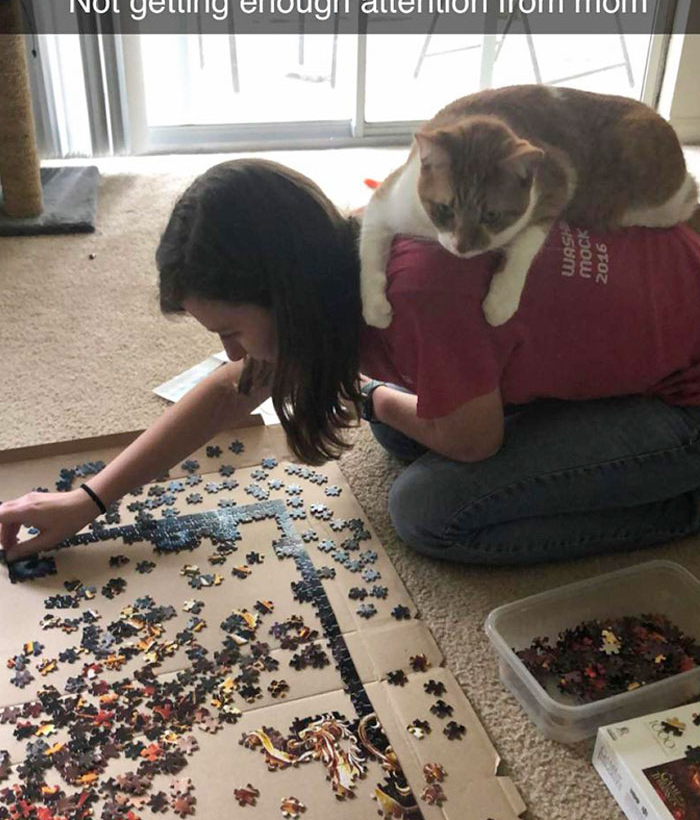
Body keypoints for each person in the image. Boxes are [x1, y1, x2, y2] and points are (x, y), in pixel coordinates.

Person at [3, 157, 700, 568]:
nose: (231, 353)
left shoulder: (419, 291)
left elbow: (472, 441)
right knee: (401, 429)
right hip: (642, 328)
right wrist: (89, 500)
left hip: (682, 404)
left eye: (233, 330)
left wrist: (367, 394)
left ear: (285, 296)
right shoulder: (346, 254)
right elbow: (233, 390)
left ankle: (680, 506)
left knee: (427, 511)